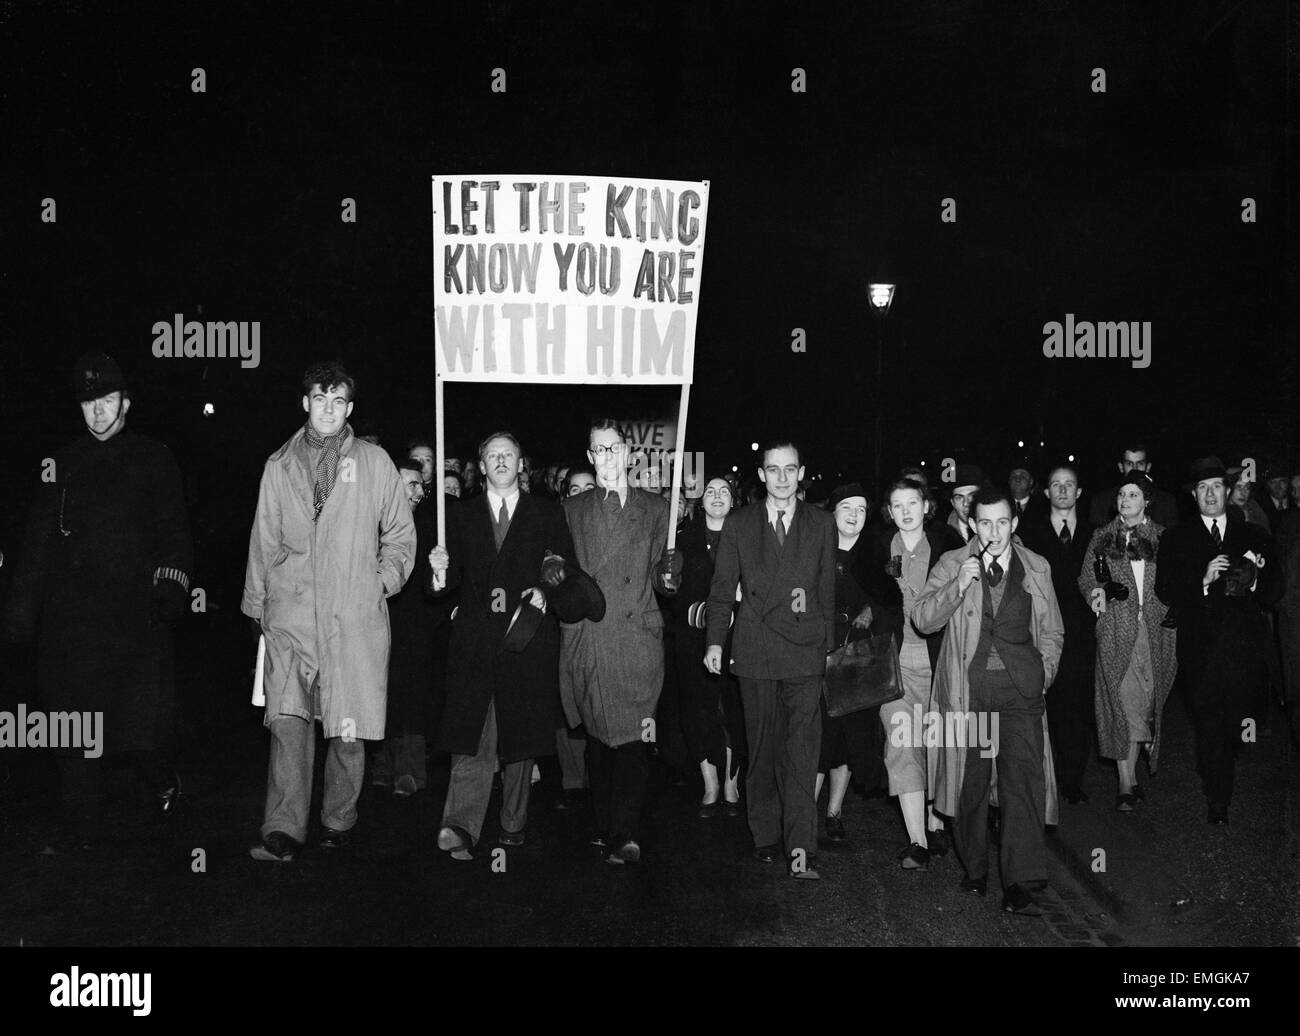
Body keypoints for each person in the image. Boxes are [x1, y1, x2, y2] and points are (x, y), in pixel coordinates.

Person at [4, 352, 192, 851]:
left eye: (107, 400)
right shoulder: (59, 464)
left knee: (140, 731)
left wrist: (173, 584)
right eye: (89, 402)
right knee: (74, 726)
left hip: (135, 621)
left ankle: (162, 778)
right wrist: (21, 613)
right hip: (73, 625)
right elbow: (37, 543)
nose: (98, 412)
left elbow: (175, 532)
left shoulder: (155, 457)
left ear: (125, 402)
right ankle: (83, 829)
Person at [242, 362, 416, 862]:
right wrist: (258, 605)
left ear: (350, 409)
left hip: (351, 613)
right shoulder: (279, 465)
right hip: (291, 612)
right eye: (320, 399)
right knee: (289, 721)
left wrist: (379, 582)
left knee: (347, 724)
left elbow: (401, 535)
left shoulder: (375, 463)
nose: (328, 409)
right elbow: (263, 540)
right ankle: (283, 827)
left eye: (338, 401)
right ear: (305, 404)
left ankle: (339, 817)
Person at [913, 486, 1063, 914]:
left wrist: (1043, 674)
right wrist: (957, 587)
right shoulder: (952, 563)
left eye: (1002, 522)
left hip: (1021, 692)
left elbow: (1053, 631)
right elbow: (923, 619)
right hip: (970, 691)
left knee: (1024, 784)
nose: (993, 531)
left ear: (1014, 523)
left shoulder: (1036, 566)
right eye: (984, 523)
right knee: (971, 784)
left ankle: (1019, 883)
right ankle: (975, 869)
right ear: (971, 525)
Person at [429, 432, 574, 858]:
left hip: (526, 638)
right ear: (482, 465)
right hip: (475, 640)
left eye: (508, 454)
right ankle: (458, 825)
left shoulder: (547, 513)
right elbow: (445, 583)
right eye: (493, 456)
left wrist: (545, 592)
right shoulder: (459, 515)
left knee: (520, 734)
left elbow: (562, 565)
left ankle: (513, 822)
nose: (501, 461)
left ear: (521, 463)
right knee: (472, 731)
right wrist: (437, 571)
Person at [705, 439, 836, 880]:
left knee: (802, 752)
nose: (782, 478)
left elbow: (825, 592)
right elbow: (722, 590)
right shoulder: (740, 524)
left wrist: (828, 651)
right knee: (761, 748)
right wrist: (715, 643)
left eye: (790, 469)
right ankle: (764, 834)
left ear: (801, 474)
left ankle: (801, 846)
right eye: (773, 470)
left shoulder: (820, 523)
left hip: (804, 652)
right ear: (761, 475)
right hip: (756, 649)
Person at [559, 419, 680, 864]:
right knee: (598, 738)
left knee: (632, 737)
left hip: (636, 636)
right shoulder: (573, 511)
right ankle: (606, 823)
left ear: (629, 454)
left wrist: (670, 576)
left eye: (614, 449)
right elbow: (558, 574)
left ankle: (625, 832)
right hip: (591, 637)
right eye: (599, 451)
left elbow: (663, 582)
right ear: (590, 458)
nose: (607, 458)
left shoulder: (656, 509)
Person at [1155, 457, 1280, 825]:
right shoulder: (1177, 538)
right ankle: (1218, 797)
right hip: (1201, 649)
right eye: (1203, 488)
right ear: (1195, 496)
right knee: (1210, 722)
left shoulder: (1254, 535)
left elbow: (1276, 589)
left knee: (1236, 722)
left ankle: (1221, 757)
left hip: (1243, 648)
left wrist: (1255, 579)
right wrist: (1203, 579)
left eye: (1216, 487)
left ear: (1228, 492)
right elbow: (1165, 589)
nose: (1210, 494)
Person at [859, 478, 963, 867]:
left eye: (912, 503)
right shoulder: (877, 547)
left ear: (926, 506)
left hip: (940, 663)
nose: (905, 511)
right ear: (889, 510)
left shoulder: (948, 546)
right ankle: (917, 841)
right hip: (895, 665)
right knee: (902, 743)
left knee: (937, 745)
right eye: (897, 504)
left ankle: (936, 824)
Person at [1077, 473, 1175, 810]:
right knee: (1123, 702)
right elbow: (1086, 578)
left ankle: (1131, 776)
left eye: (1133, 494)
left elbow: (1177, 577)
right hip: (1116, 632)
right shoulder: (1103, 536)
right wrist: (1099, 595)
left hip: (1153, 630)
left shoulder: (1163, 537)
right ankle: (1124, 784)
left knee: (1147, 702)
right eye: (1121, 493)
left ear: (1146, 500)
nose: (1125, 499)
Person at [1017, 464, 1096, 805]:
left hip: (1083, 633)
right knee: (1042, 703)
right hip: (1041, 630)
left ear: (1079, 492)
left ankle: (1072, 778)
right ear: (1046, 493)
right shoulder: (1030, 533)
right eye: (1055, 485)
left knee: (1077, 706)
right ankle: (1039, 778)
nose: (1063, 490)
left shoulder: (1097, 534)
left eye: (1069, 484)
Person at [813, 484, 883, 846]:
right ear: (833, 511)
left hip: (858, 656)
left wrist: (874, 609)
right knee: (820, 736)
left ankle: (835, 811)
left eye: (861, 508)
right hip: (821, 652)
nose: (854, 514)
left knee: (850, 735)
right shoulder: (816, 549)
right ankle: (805, 812)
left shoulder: (876, 555)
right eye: (846, 507)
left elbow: (894, 602)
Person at [671, 476, 745, 818]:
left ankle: (731, 780)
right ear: (702, 501)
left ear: (733, 500)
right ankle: (709, 783)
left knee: (732, 710)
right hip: (692, 638)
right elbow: (672, 592)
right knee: (696, 709)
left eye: (724, 492)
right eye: (710, 492)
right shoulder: (682, 539)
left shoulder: (747, 537)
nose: (717, 496)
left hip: (738, 640)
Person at [368, 457, 438, 797]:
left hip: (418, 624)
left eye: (416, 484)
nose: (413, 491)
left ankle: (410, 771)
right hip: (380, 618)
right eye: (405, 483)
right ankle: (383, 763)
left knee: (412, 693)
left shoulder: (430, 524)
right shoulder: (373, 522)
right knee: (382, 691)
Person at [1088, 442, 1180, 530]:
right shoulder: (1102, 502)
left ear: (1148, 467)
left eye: (1140, 463)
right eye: (1129, 464)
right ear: (1121, 467)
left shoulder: (1166, 502)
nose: (1135, 469)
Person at [947, 465, 985, 545]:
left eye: (972, 496)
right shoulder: (941, 538)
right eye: (959, 498)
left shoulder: (1001, 532)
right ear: (952, 503)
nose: (966, 503)